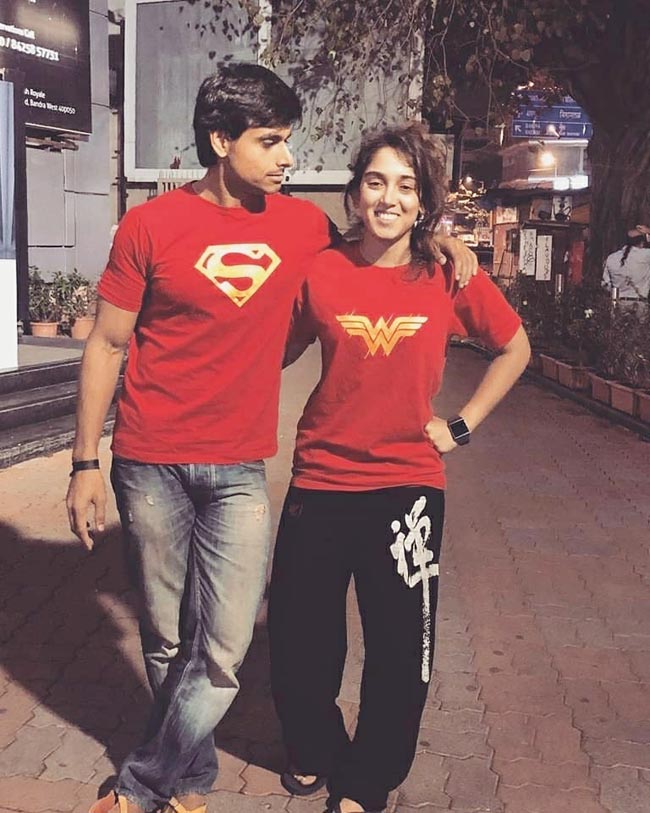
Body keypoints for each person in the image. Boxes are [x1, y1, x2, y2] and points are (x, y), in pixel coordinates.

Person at [65, 65, 477, 813]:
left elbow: (375, 243)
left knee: (224, 645)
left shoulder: (303, 228)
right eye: (272, 142)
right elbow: (106, 343)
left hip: (239, 466)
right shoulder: (150, 225)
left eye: (288, 140)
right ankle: (188, 778)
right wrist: (84, 461)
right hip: (148, 458)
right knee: (164, 635)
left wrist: (442, 241)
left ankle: (142, 783)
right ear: (222, 141)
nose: (288, 158)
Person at [268, 122, 531, 813]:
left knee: (399, 647)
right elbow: (275, 350)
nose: (389, 198)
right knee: (298, 637)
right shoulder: (321, 269)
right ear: (355, 193)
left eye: (406, 186)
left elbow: (515, 347)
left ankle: (368, 779)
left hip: (407, 488)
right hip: (321, 480)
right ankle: (314, 747)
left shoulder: (448, 273)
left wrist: (462, 425)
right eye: (376, 182)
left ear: (423, 202)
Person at [602, 228, 650, 302]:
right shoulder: (646, 255)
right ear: (642, 242)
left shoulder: (612, 257)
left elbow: (605, 284)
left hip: (618, 302)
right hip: (639, 302)